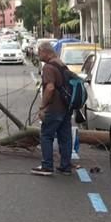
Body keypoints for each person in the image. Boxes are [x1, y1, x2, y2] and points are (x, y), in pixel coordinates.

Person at [32, 42, 73, 176]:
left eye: (39, 52)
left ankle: (47, 166)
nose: (38, 55)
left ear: (46, 52)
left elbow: (50, 88)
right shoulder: (61, 64)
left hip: (54, 108)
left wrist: (43, 107)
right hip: (66, 107)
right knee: (65, 137)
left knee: (46, 135)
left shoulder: (48, 67)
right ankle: (65, 166)